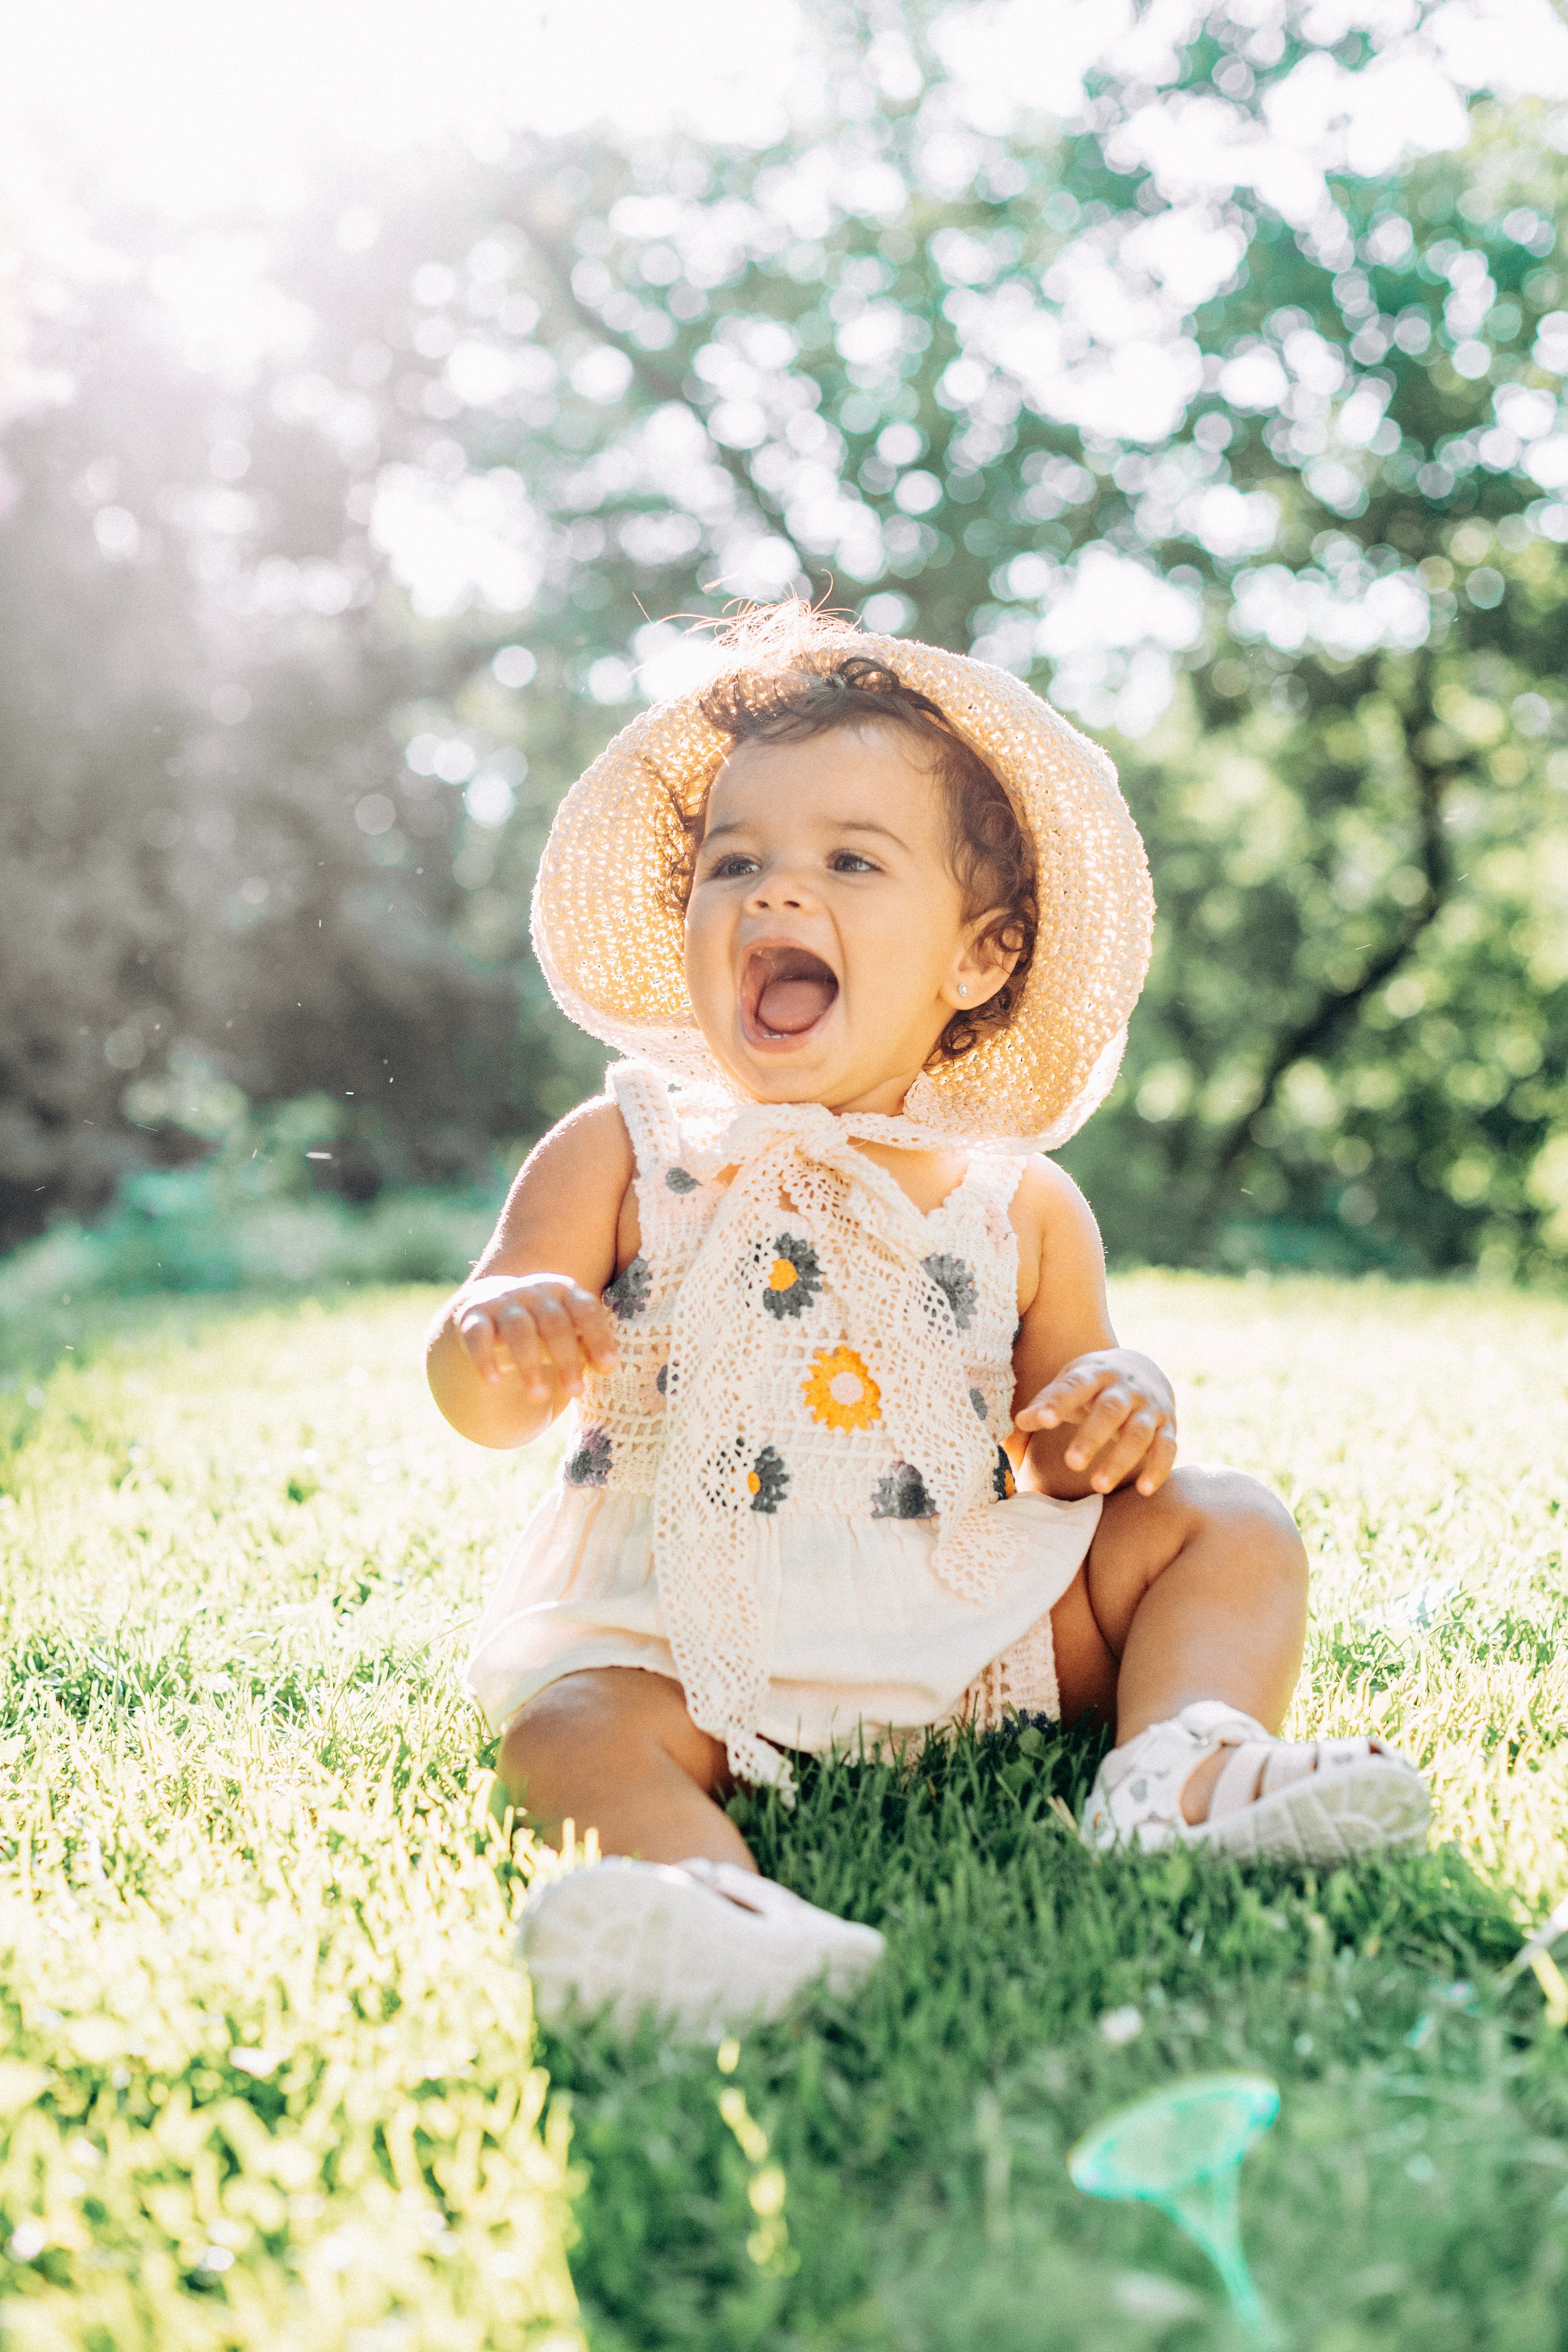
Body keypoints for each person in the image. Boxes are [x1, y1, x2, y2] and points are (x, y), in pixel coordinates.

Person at [427, 604, 1428, 2040]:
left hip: (972, 1637)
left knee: (1224, 1523)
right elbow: (488, 1396)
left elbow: (1071, 1443)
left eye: (847, 861)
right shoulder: (624, 1144)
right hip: (693, 1647)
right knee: (567, 1728)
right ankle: (709, 1907)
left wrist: (1115, 1399)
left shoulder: (1012, 1199)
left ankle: (1176, 1770)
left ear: (975, 958)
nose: (775, 894)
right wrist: (495, 1330)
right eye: (734, 862)